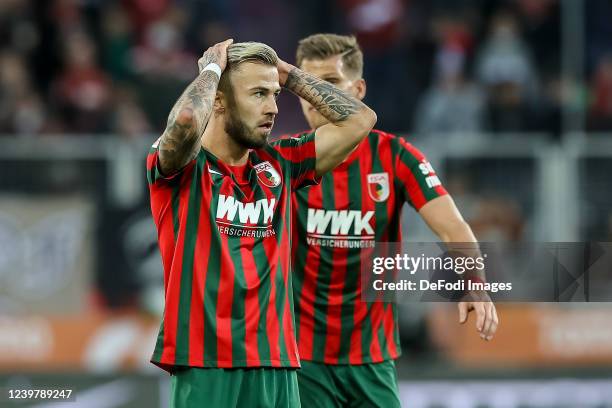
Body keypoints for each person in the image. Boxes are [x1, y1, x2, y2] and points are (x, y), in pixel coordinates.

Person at [146, 39, 377, 407]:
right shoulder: (183, 168)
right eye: (258, 94)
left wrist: (285, 75)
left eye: (275, 95)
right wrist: (211, 72)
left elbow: (360, 121)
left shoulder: (281, 163)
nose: (272, 108)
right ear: (218, 100)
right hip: (205, 361)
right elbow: (188, 120)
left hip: (277, 362)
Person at [288, 33, 499, 408]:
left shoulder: (397, 157)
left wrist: (476, 283)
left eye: (331, 84)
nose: (317, 96)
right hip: (301, 361)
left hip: (372, 359)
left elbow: (453, 227)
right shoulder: (282, 161)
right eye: (308, 84)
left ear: (359, 88)